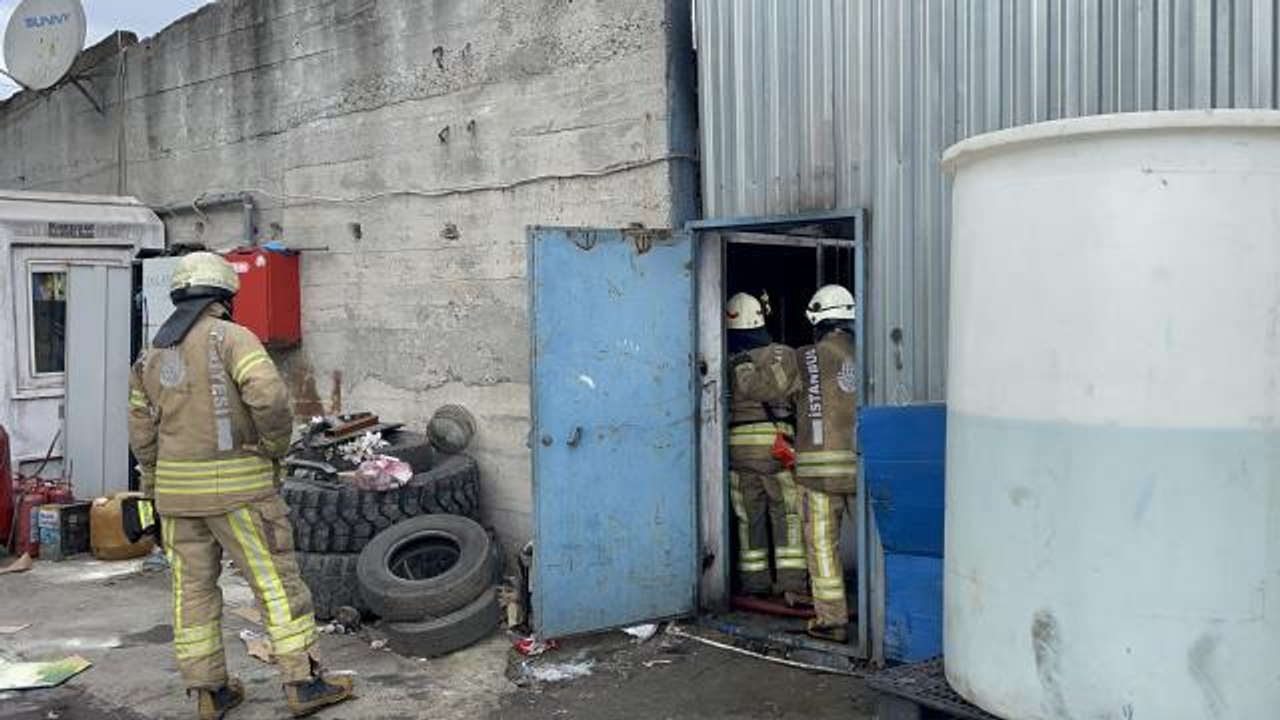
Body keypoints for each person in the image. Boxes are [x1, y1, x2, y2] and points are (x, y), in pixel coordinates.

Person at [127, 252, 353, 719]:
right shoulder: (232, 338)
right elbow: (269, 397)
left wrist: (152, 483)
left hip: (174, 499)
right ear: (225, 296)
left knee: (192, 592)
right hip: (241, 493)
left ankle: (210, 692)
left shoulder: (150, 353)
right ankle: (302, 682)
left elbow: (141, 429)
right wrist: (272, 445)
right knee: (274, 583)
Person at [724, 292, 807, 597]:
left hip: (735, 450)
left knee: (748, 518)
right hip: (775, 448)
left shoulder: (721, 354)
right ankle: (791, 584)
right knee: (787, 514)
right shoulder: (783, 354)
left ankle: (754, 582)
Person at [789, 284, 859, 642]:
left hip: (816, 473)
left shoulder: (805, 357)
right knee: (879, 544)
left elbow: (770, 389)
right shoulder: (871, 352)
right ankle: (887, 615)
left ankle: (832, 620)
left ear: (816, 320)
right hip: (865, 468)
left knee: (822, 547)